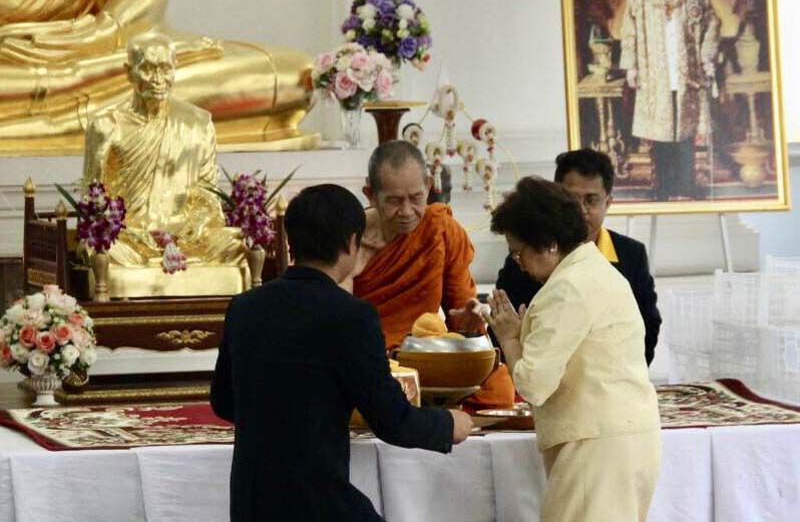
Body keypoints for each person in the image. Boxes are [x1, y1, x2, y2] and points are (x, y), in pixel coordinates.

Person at [210, 183, 473, 522]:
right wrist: (449, 424)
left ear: (290, 242)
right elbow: (393, 421)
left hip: (252, 506)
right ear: (352, 243)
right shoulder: (351, 316)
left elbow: (223, 402)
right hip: (318, 504)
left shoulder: (245, 307)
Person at [0, 0, 313, 155]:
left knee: (294, 75)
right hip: (11, 58)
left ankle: (72, 105)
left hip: (103, 42)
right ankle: (77, 107)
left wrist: (103, 30)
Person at [488, 177, 661, 522]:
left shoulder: (566, 289)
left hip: (596, 446)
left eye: (519, 251)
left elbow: (534, 385)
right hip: (627, 438)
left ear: (550, 244)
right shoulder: (598, 271)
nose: (517, 262)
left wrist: (509, 339)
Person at [349, 140, 515, 408]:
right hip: (369, 360)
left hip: (426, 358)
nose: (406, 212)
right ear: (370, 194)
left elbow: (462, 320)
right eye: (394, 201)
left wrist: (469, 324)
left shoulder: (441, 230)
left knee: (499, 390)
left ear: (428, 185)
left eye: (416, 198)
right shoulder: (347, 240)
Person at [83, 34, 246, 296]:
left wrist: (193, 229)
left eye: (165, 69)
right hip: (129, 241)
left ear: (175, 68)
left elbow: (207, 195)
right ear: (129, 72)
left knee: (238, 245)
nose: (158, 79)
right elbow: (93, 198)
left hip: (189, 239)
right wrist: (134, 235)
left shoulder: (197, 122)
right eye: (148, 69)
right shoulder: (106, 125)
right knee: (103, 251)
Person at [496, 149, 662, 365]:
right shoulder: (527, 256)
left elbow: (648, 325)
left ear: (608, 202)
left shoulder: (631, 254)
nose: (582, 210)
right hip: (539, 372)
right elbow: (504, 323)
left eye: (591, 200)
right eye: (572, 199)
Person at [619, 0, 720, 200]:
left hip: (686, 68)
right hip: (655, 69)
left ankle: (686, 184)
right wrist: (631, 66)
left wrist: (706, 57)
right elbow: (629, 28)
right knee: (661, 128)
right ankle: (663, 186)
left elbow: (711, 22)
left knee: (685, 129)